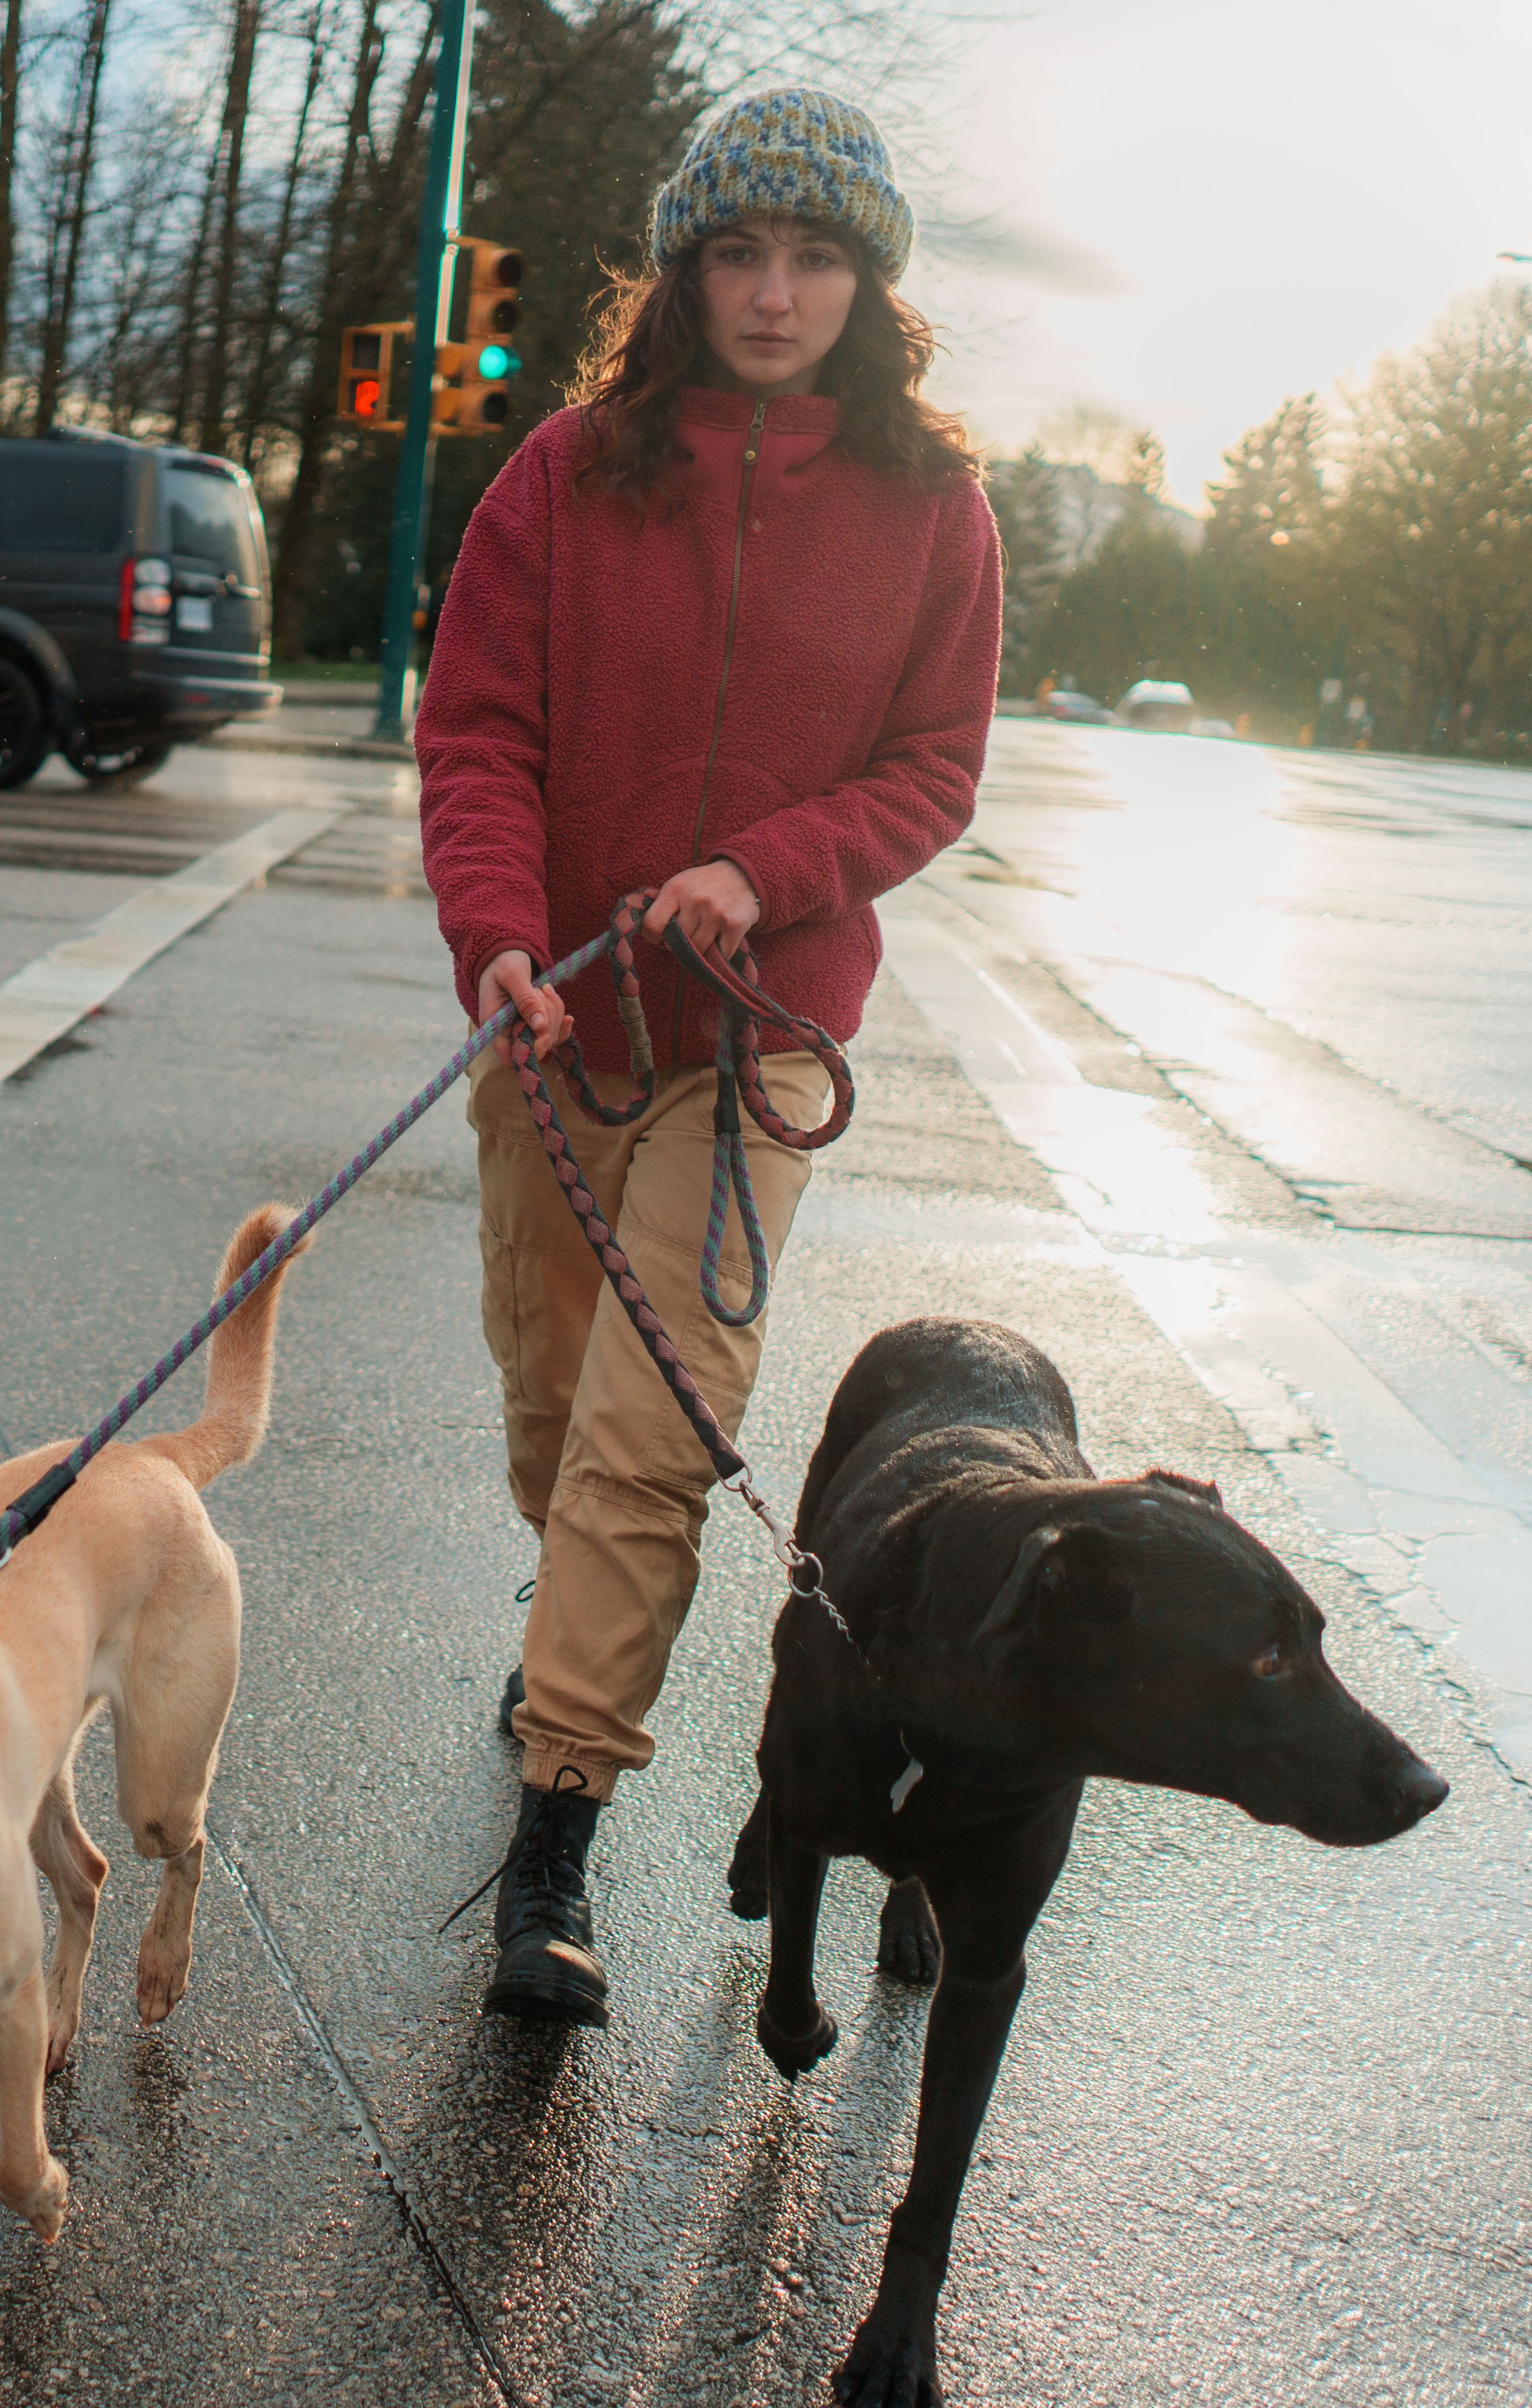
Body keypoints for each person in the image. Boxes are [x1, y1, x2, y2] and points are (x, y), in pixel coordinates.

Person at [417, 85, 1005, 2026]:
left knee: (652, 1431)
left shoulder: (936, 509)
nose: (773, 293)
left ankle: (556, 1833)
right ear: (682, 271)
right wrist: (499, 936)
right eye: (739, 253)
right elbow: (478, 731)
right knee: (554, 1408)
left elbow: (935, 770)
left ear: (869, 284)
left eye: (815, 258)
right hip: (559, 1022)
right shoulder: (565, 477)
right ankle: (566, 1633)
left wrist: (767, 871)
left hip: (761, 1047)